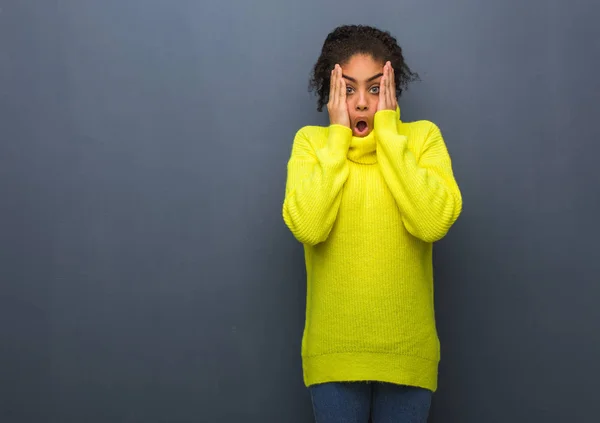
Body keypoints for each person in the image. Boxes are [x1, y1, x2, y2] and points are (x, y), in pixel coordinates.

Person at [282, 24, 462, 423]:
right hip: (334, 355)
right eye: (347, 89)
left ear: (392, 88)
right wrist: (336, 140)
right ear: (329, 93)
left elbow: (431, 223)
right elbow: (309, 228)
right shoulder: (312, 144)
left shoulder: (422, 139)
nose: (361, 102)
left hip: (407, 354)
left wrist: (390, 135)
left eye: (375, 88)